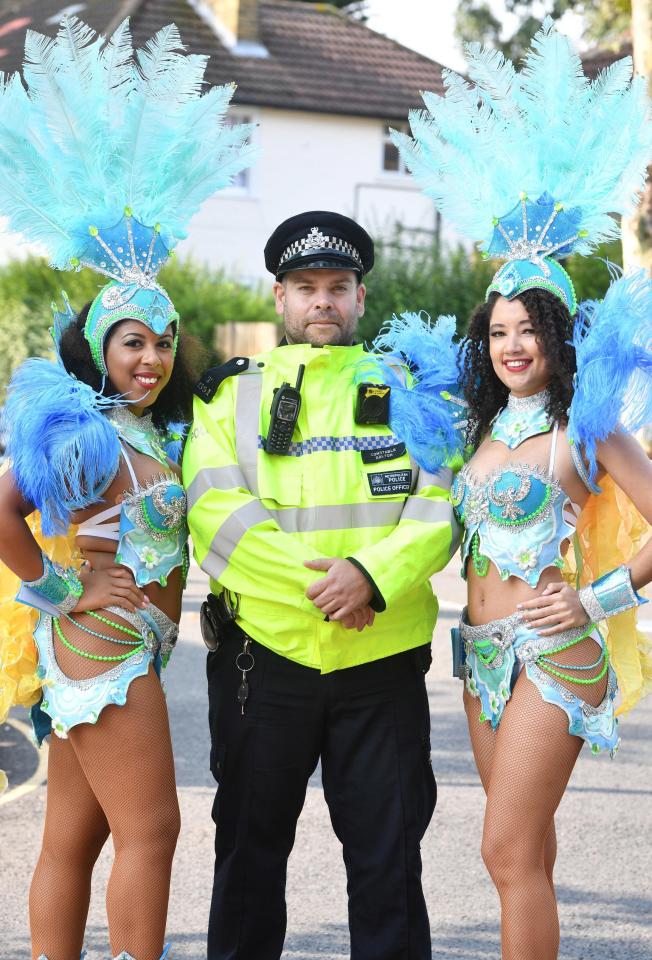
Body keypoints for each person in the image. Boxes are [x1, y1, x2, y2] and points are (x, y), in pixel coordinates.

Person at [370, 19, 652, 960]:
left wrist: (601, 594)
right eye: (498, 331)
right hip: (476, 654)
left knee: (503, 847)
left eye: (530, 328)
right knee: (520, 852)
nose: (513, 344)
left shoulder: (589, 427)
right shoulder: (480, 429)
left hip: (551, 650)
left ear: (559, 336)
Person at [0, 16, 251, 960]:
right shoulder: (82, 427)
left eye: (160, 340)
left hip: (118, 641)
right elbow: (0, 509)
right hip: (101, 639)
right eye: (130, 342)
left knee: (77, 833)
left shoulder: (159, 429)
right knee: (154, 831)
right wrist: (61, 587)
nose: (149, 358)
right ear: (99, 348)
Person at [182, 210, 460, 960]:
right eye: (306, 288)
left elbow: (440, 510)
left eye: (339, 287)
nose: (323, 302)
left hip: (383, 665)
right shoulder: (226, 397)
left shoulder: (412, 392)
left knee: (389, 863)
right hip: (263, 663)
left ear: (361, 299)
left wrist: (371, 577)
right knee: (247, 857)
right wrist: (332, 589)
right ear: (279, 298)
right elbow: (217, 517)